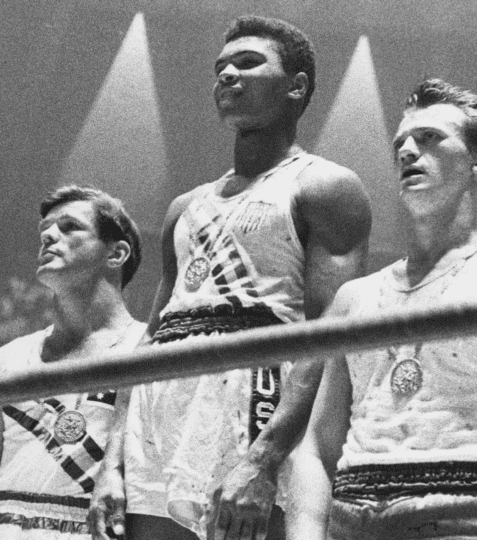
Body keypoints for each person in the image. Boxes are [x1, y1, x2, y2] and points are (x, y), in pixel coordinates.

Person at [89, 15, 372, 540]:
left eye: (248, 63)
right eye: (221, 68)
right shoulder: (183, 206)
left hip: (253, 391)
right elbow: (150, 338)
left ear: (297, 86)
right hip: (159, 399)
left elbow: (329, 338)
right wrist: (111, 462)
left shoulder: (326, 186)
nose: (228, 76)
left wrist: (264, 457)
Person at [291, 78, 477, 540]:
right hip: (350, 517)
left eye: (428, 138)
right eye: (401, 142)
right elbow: (314, 448)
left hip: (463, 516)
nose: (406, 151)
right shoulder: (354, 297)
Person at [0, 186, 147, 539]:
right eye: (45, 229)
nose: (49, 235)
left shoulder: (150, 352)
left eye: (69, 227)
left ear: (116, 253)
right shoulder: (7, 359)